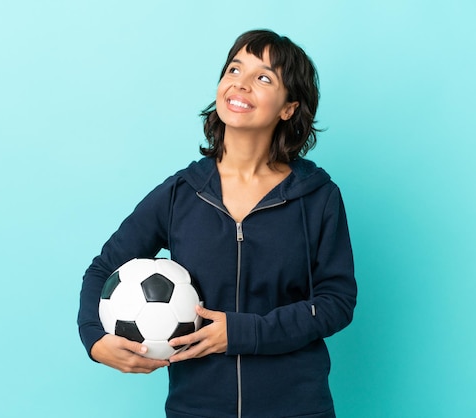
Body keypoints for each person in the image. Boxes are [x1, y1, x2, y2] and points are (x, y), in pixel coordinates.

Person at [78, 29, 357, 418]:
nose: (240, 83)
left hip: (296, 407)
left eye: (263, 77)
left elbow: (336, 303)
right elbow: (104, 268)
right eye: (234, 69)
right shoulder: (182, 193)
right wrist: (94, 338)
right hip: (196, 409)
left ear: (289, 108)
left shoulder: (318, 197)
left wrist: (242, 333)